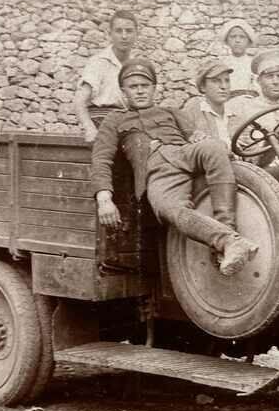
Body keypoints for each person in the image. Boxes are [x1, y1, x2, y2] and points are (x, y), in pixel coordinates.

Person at [90, 60, 258, 276]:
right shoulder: (113, 120)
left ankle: (228, 232)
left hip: (184, 153)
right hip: (157, 170)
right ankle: (228, 241)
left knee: (214, 148)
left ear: (154, 88)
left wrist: (210, 143)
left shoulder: (170, 112)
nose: (140, 91)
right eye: (133, 87)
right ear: (124, 91)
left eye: (145, 85)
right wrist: (104, 199)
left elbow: (195, 135)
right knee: (169, 209)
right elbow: (102, 159)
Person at [75, 10, 139, 143]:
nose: (124, 36)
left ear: (136, 34)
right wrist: (89, 128)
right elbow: (79, 101)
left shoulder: (136, 65)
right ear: (110, 34)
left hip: (126, 123)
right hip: (101, 121)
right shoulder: (98, 62)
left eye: (129, 31)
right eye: (119, 31)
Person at [183, 60, 234, 149]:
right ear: (203, 87)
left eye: (227, 80)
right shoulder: (192, 112)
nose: (223, 86)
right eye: (216, 81)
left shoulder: (235, 114)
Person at [215, 19, 258, 97]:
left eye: (242, 37)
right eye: (233, 37)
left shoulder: (254, 64)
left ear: (249, 41)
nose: (237, 40)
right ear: (227, 41)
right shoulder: (221, 64)